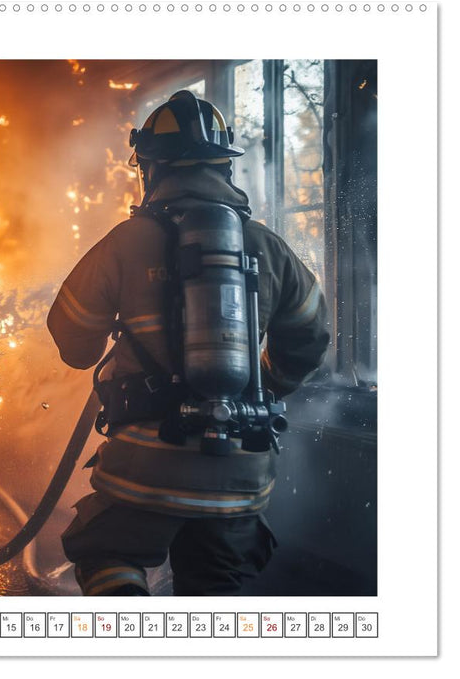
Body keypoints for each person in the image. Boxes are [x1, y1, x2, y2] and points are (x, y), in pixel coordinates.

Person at [47, 91, 330, 596]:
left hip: (143, 467)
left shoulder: (125, 242)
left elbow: (72, 338)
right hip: (241, 472)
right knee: (214, 585)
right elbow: (311, 337)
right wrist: (261, 385)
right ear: (224, 166)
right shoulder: (268, 246)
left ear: (151, 169)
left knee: (107, 553)